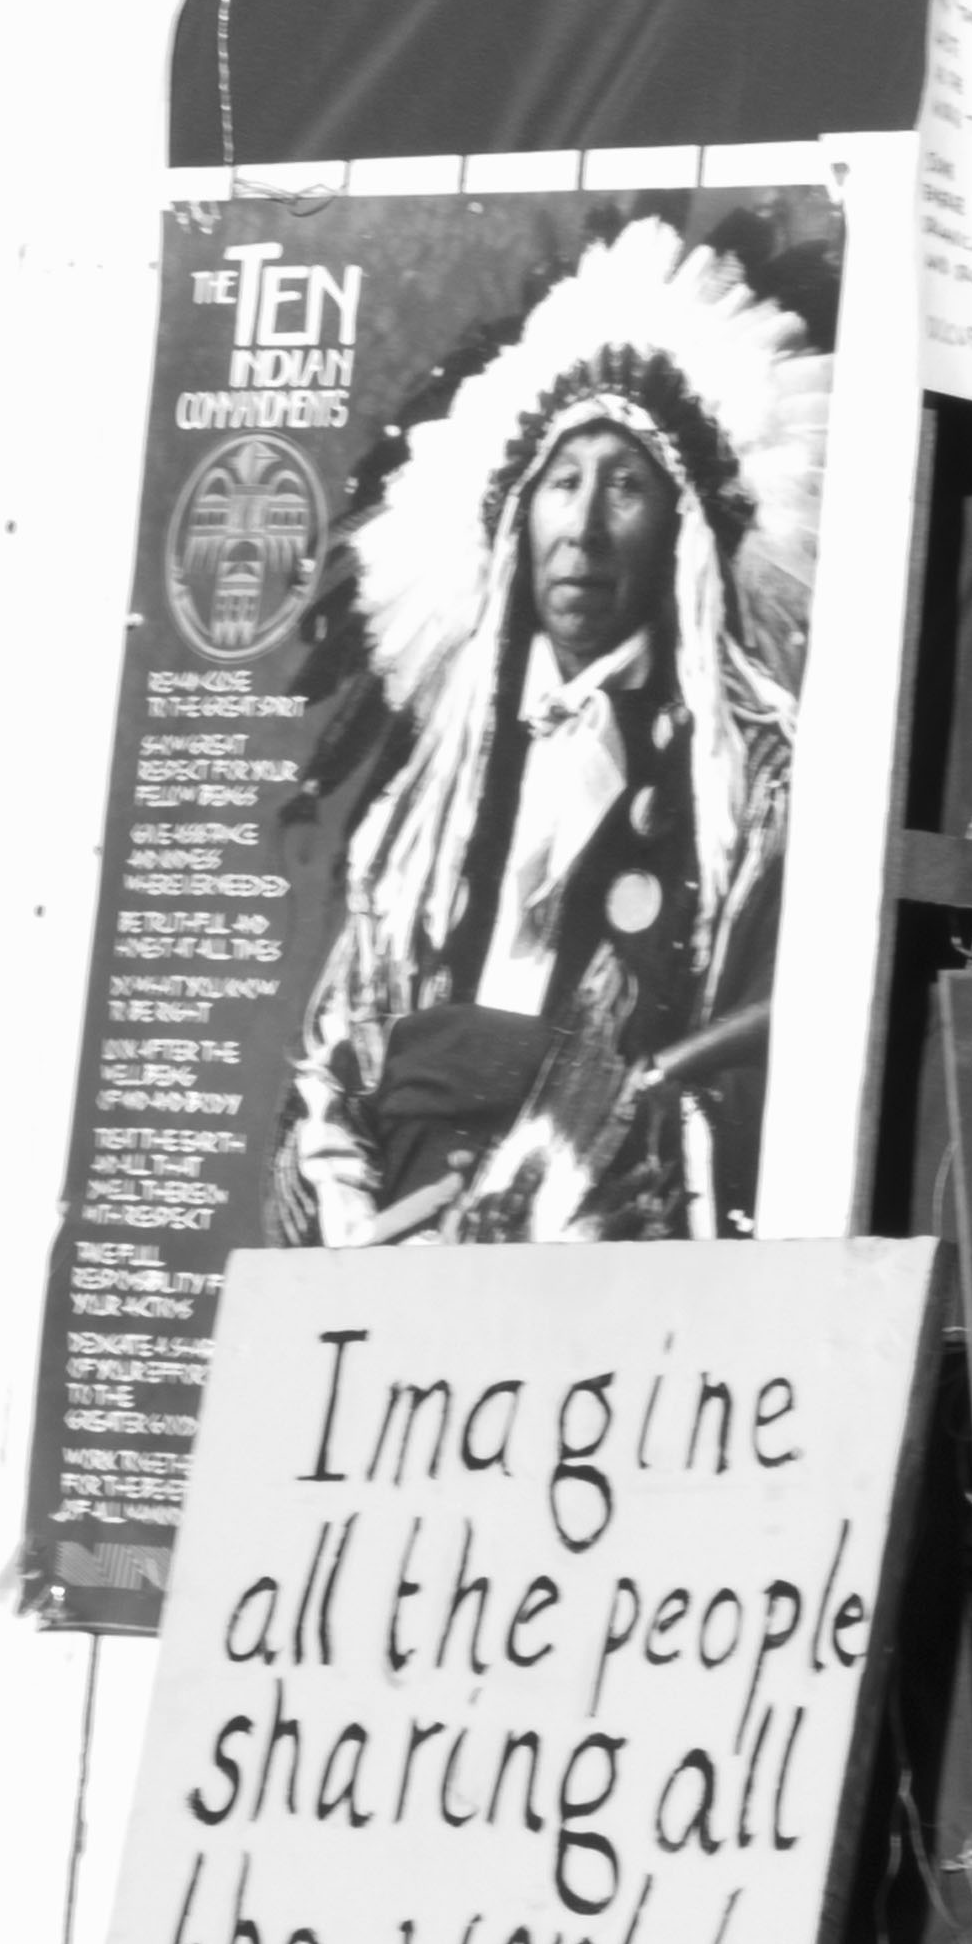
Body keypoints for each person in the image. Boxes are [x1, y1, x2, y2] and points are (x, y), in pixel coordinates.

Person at [277, 217, 829, 1246]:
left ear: (682, 529)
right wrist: (353, 1214)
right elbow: (341, 1046)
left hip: (610, 1254)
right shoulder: (430, 801)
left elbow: (779, 1052)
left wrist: (583, 1178)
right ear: (516, 516)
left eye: (626, 483)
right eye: (561, 482)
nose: (582, 525)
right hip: (403, 1238)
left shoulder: (750, 777)